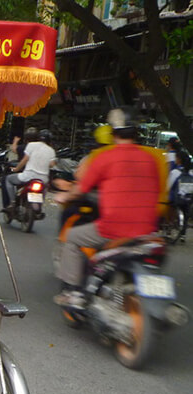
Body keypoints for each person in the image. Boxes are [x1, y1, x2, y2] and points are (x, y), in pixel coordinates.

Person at [53, 109, 164, 308]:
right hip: (147, 230)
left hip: (113, 228)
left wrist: (64, 196)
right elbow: (156, 191)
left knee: (72, 237)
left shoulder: (104, 157)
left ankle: (73, 292)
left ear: (113, 133)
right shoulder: (151, 159)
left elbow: (80, 189)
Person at [2, 128, 56, 210]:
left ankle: (12, 202)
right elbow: (52, 165)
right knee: (45, 188)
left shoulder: (31, 145)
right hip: (43, 179)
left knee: (8, 179)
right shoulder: (51, 150)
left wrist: (16, 169)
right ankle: (39, 206)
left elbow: (24, 160)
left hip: (28, 176)